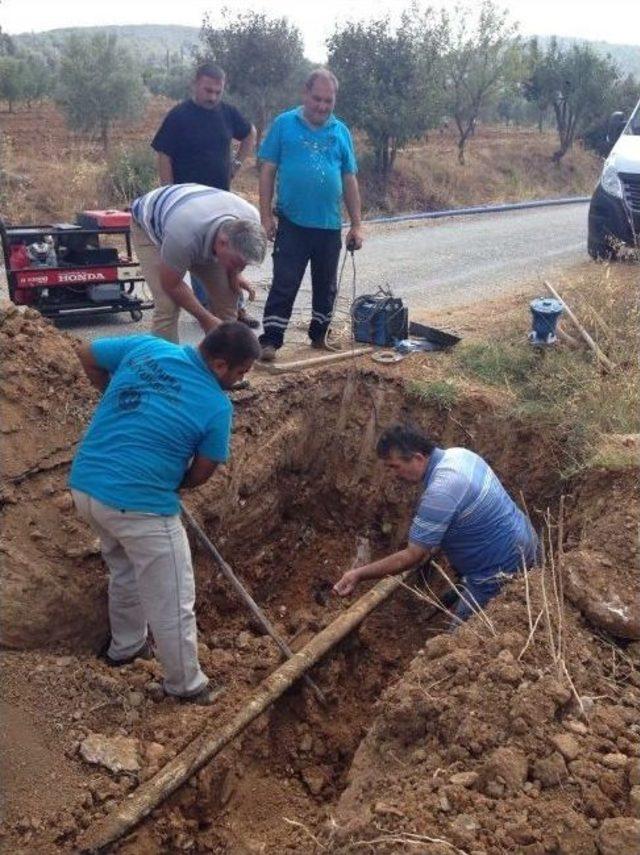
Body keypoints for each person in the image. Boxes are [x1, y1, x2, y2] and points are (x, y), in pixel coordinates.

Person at [69, 323, 261, 705]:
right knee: (173, 598)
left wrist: (114, 398)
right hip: (141, 505)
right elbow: (204, 470)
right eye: (240, 373)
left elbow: (87, 354)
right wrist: (174, 482)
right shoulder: (215, 405)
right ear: (220, 365)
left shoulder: (146, 347)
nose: (240, 381)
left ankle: (125, 649)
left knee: (125, 570)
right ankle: (186, 685)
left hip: (87, 488)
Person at [333, 426, 539, 626]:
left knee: (457, 644)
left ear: (418, 458)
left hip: (498, 569)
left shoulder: (442, 490)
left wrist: (357, 574)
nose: (394, 474)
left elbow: (412, 556)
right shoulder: (459, 454)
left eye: (395, 466)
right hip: (526, 540)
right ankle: (466, 586)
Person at [257, 68, 363, 361]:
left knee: (326, 286)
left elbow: (349, 179)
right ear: (305, 94)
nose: (322, 106)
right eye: (317, 99)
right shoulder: (284, 124)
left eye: (328, 101)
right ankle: (271, 341)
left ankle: (320, 335)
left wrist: (356, 224)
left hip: (329, 225)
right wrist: (265, 216)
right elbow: (267, 171)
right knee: (284, 282)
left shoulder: (340, 132)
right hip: (292, 222)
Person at [151, 62, 259, 327]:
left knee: (227, 255)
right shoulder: (179, 116)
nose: (212, 97)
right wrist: (169, 190)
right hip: (183, 205)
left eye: (217, 92)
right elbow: (164, 153)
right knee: (198, 254)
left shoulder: (227, 113)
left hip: (218, 200)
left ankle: (234, 312)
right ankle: (205, 312)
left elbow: (250, 133)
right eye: (207, 90)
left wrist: (236, 164)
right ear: (195, 85)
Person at [130, 183, 267, 343]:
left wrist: (234, 275)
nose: (240, 268)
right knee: (168, 305)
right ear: (222, 243)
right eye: (236, 262)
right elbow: (171, 285)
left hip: (197, 218)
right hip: (149, 225)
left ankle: (222, 360)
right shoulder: (183, 237)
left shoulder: (251, 219)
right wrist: (205, 318)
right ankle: (166, 363)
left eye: (244, 265)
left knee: (228, 296)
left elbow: (236, 260)